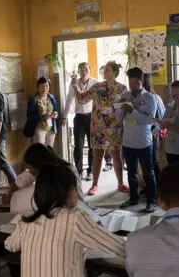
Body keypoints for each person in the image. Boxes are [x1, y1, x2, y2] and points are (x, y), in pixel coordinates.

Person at [5, 163, 125, 277]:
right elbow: (119, 247)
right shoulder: (75, 218)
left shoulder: (27, 221)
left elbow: (10, 245)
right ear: (71, 191)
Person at [73, 61, 130, 195]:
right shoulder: (96, 87)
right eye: (104, 70)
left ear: (115, 73)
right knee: (98, 155)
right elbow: (82, 99)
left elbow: (126, 107)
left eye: (108, 70)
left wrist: (115, 108)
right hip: (98, 127)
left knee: (116, 155)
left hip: (115, 127)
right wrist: (75, 86)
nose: (105, 72)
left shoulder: (122, 89)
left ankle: (120, 183)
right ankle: (94, 184)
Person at [116, 68, 158, 213]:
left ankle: (152, 202)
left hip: (143, 142)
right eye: (130, 83)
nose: (133, 86)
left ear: (142, 81)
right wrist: (120, 107)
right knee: (131, 172)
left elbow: (148, 120)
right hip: (128, 141)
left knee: (148, 173)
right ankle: (133, 198)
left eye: (136, 83)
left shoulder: (149, 98)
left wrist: (132, 111)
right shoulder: (125, 95)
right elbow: (118, 118)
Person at [5, 143, 84, 206]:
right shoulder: (39, 168)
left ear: (42, 167)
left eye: (34, 173)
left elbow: (78, 200)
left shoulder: (68, 172)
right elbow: (16, 185)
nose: (33, 175)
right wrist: (8, 195)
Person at [62, 62, 98, 181]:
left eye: (85, 69)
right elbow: (69, 99)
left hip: (92, 117)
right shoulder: (74, 83)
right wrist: (64, 116)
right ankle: (78, 171)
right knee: (78, 146)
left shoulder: (95, 83)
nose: (83, 71)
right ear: (78, 71)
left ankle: (90, 172)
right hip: (79, 117)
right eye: (81, 69)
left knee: (92, 145)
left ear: (90, 70)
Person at [142, 73, 165, 178]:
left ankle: (159, 189)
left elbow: (162, 118)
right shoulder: (137, 98)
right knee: (145, 163)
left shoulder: (155, 98)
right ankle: (150, 188)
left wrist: (157, 129)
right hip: (141, 134)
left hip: (152, 134)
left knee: (154, 162)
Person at [26, 77, 58, 147]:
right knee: (40, 152)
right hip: (39, 129)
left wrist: (55, 114)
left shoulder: (52, 98)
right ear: (38, 87)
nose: (44, 88)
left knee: (49, 151)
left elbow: (55, 110)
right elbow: (29, 116)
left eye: (47, 86)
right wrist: (42, 117)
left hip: (51, 129)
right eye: (42, 86)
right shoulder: (33, 100)